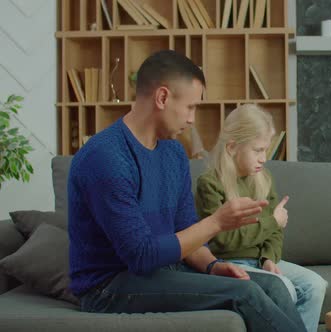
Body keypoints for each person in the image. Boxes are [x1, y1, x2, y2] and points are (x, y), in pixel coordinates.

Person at [68, 50, 306, 332]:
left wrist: (212, 266)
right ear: (162, 98)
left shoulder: (173, 152)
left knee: (272, 286)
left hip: (165, 270)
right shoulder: (106, 157)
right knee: (246, 294)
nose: (193, 119)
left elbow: (184, 228)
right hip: (109, 286)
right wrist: (217, 222)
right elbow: (141, 256)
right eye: (191, 107)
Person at [195, 104, 328, 332]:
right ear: (232, 147)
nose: (264, 158)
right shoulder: (210, 184)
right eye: (257, 150)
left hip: (261, 261)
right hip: (231, 263)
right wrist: (272, 222)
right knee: (284, 286)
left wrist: (268, 257)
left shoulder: (263, 179)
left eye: (266, 150)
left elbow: (275, 233)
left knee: (316, 284)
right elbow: (225, 240)